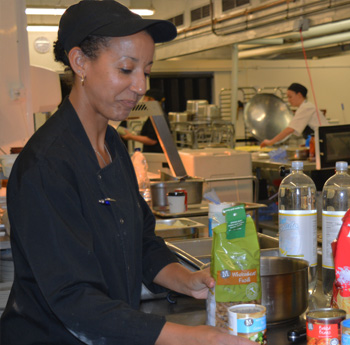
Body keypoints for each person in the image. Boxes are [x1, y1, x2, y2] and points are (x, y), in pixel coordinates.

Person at [0, 1, 255, 345]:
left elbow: (142, 241)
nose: (139, 87)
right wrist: (194, 338)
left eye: (146, 71)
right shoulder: (48, 165)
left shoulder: (112, 144)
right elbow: (74, 299)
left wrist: (184, 278)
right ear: (80, 63)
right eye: (126, 69)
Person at [260, 82, 329, 148]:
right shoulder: (305, 107)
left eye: (290, 97)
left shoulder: (306, 108)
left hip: (323, 142)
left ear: (299, 95)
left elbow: (290, 129)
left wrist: (271, 142)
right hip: (319, 142)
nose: (288, 100)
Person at [121, 88, 169, 153]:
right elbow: (136, 116)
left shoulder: (157, 118)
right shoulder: (153, 116)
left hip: (155, 155)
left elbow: (152, 141)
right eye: (144, 98)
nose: (144, 101)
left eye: (148, 99)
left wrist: (131, 137)